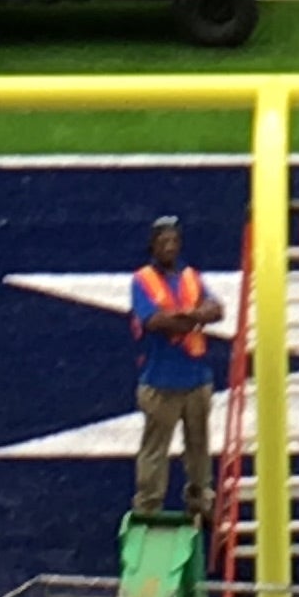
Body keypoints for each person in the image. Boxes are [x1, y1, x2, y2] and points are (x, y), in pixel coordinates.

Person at [130, 215, 226, 514]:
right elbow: (154, 320)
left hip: (197, 380)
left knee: (199, 446)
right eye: (163, 242)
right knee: (155, 450)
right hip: (161, 383)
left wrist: (188, 317)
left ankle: (199, 500)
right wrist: (192, 317)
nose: (170, 247)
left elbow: (216, 309)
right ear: (153, 246)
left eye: (174, 241)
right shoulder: (142, 280)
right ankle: (148, 506)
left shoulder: (190, 277)